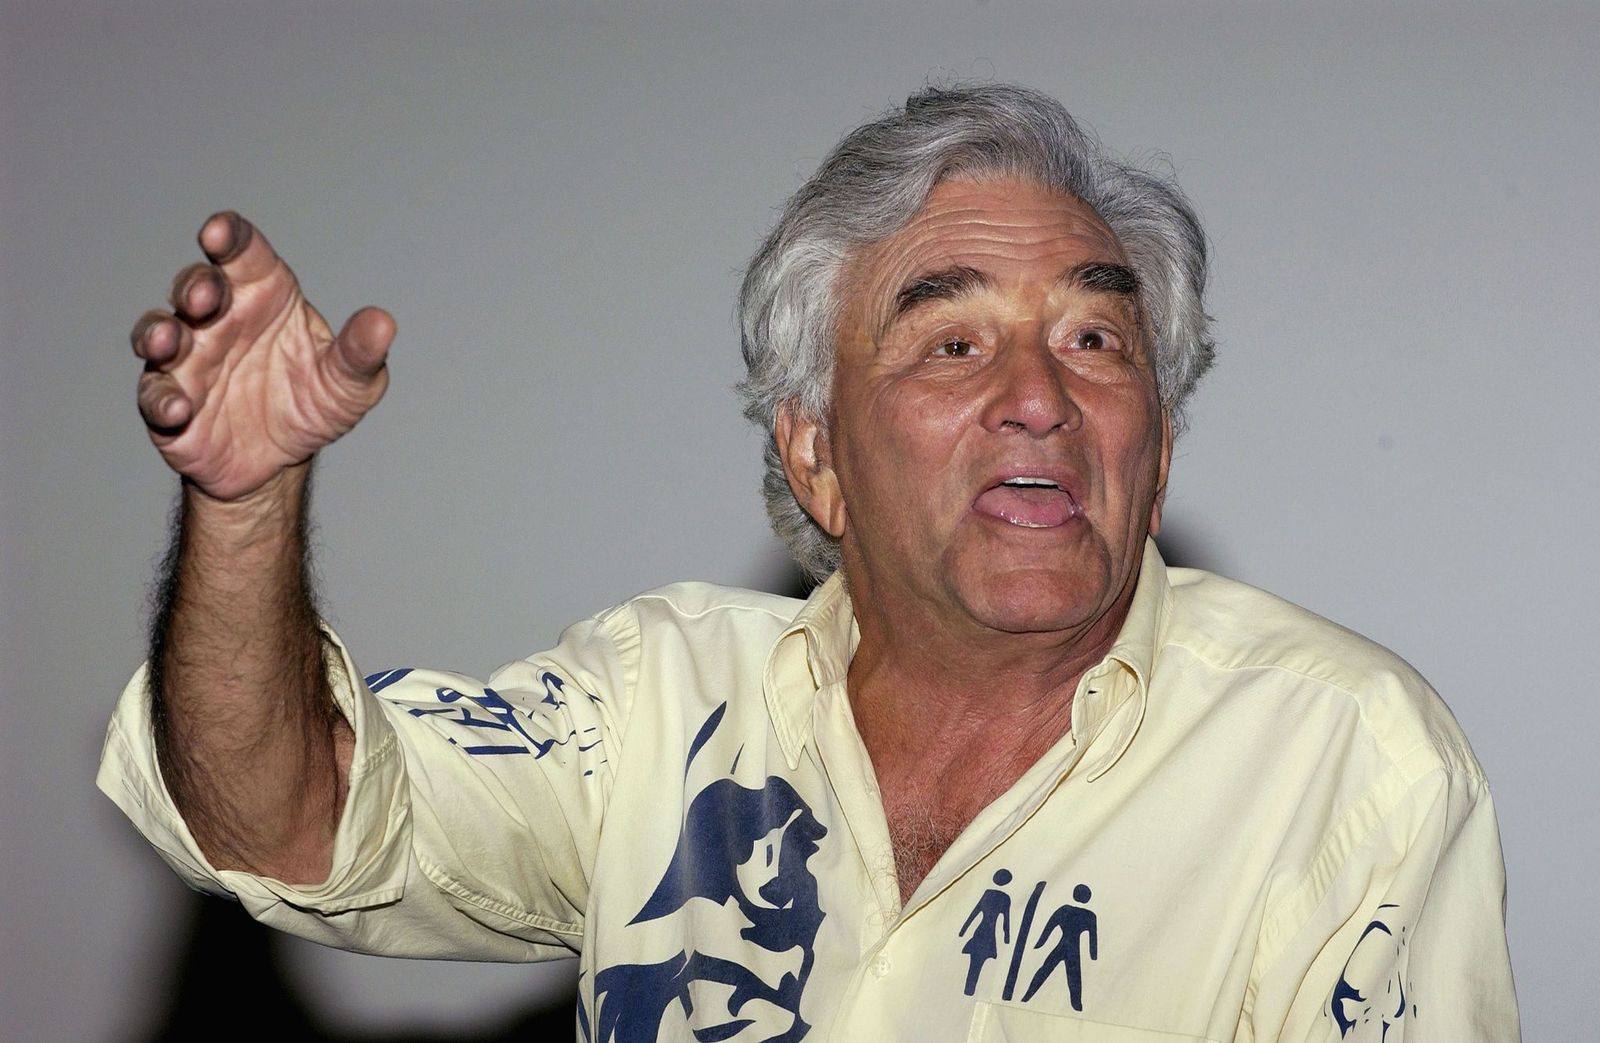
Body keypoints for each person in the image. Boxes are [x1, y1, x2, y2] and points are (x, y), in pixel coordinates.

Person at [99, 84, 1520, 1041]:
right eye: (952, 342)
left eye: (1097, 341)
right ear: (815, 454)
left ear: (1157, 449)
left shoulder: (1345, 761)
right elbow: (282, 815)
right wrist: (247, 503)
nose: (1042, 395)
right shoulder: (657, 703)